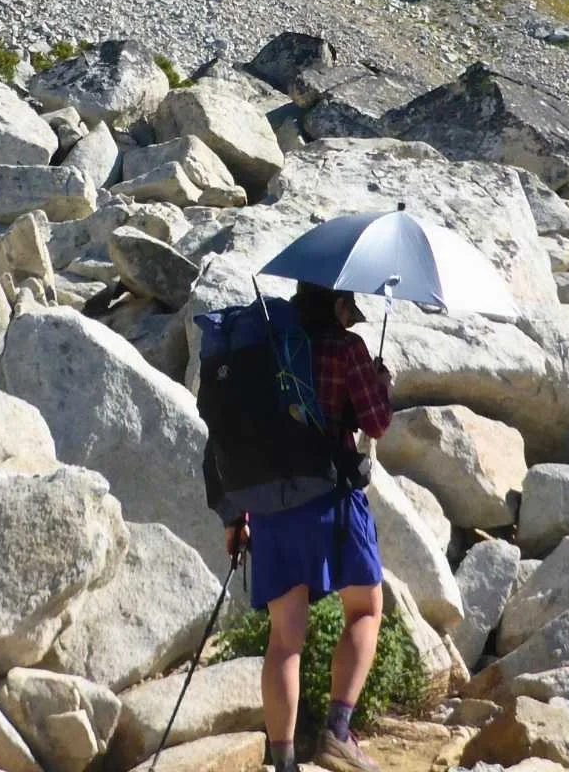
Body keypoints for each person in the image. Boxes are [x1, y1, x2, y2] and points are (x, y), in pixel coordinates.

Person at [222, 283, 392, 772]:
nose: (354, 313)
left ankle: (284, 763)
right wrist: (382, 385)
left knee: (285, 639)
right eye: (350, 304)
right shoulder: (346, 347)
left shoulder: (268, 346)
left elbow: (236, 434)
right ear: (338, 304)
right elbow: (376, 423)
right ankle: (338, 733)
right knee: (364, 609)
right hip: (332, 499)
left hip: (273, 503)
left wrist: (238, 514)